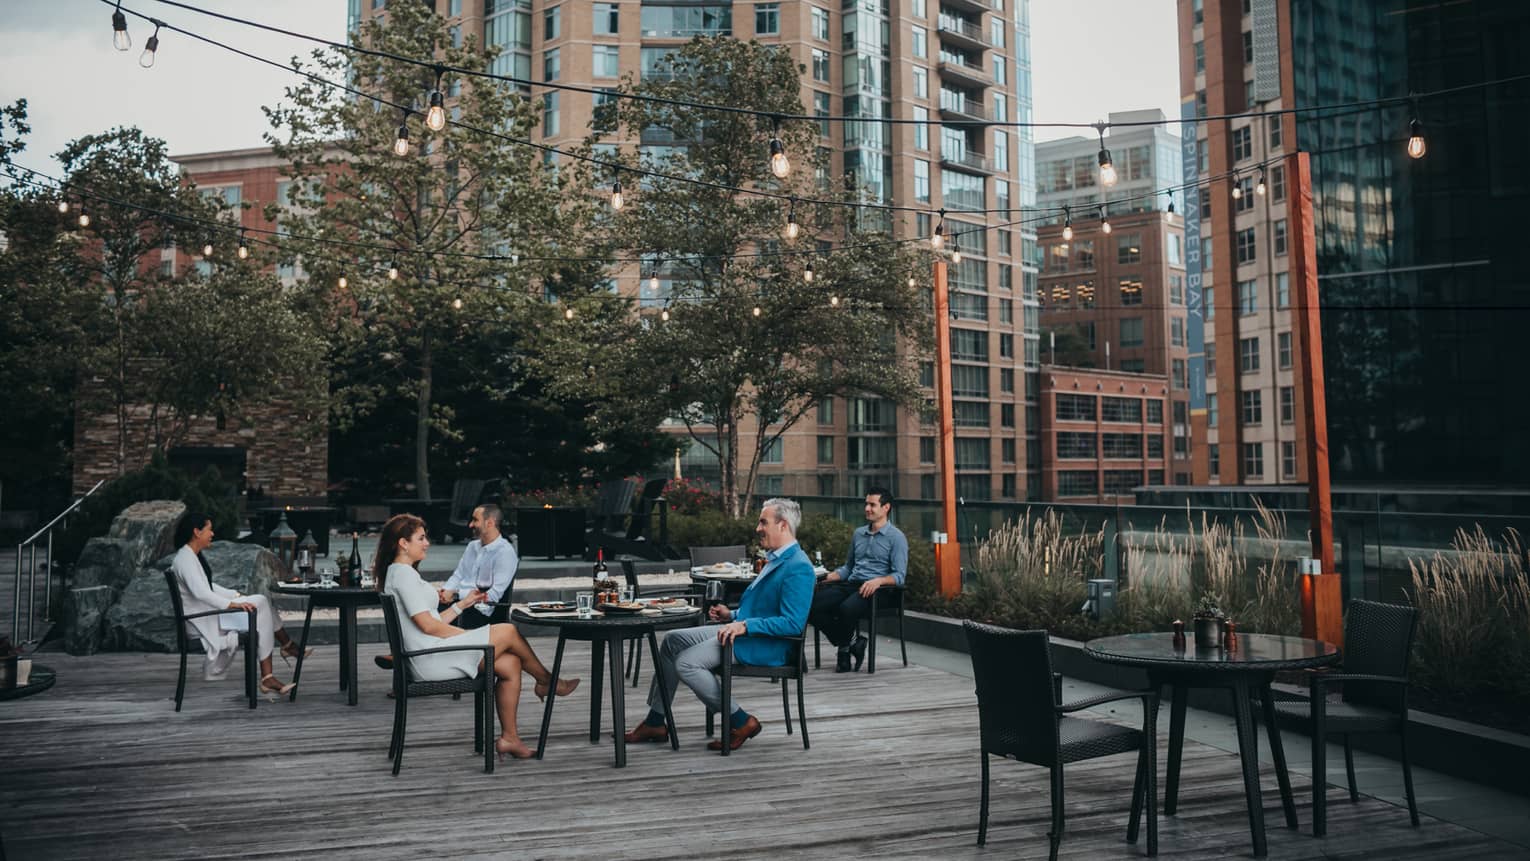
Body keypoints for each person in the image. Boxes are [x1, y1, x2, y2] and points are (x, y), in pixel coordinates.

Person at [375, 513, 578, 761]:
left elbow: (432, 621)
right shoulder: (403, 575)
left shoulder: (401, 573)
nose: (427, 543)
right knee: (507, 630)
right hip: (428, 660)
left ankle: (510, 738)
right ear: (403, 543)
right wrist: (470, 636)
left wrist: (463, 604)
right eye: (421, 538)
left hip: (432, 651)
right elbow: (428, 626)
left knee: (511, 664)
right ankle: (548, 680)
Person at [624, 498, 814, 753]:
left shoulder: (799, 566)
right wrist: (732, 615)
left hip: (766, 645)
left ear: (782, 525)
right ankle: (656, 722)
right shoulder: (777, 559)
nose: (758, 528)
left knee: (687, 663)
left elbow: (792, 624)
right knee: (673, 640)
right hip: (745, 631)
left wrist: (744, 626)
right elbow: (762, 608)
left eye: (763, 522)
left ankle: (741, 720)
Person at [170, 511, 309, 697]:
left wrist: (236, 596)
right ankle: (277, 661)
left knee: (262, 604)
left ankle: (276, 663)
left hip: (210, 615)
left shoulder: (190, 556)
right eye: (209, 530)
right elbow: (201, 593)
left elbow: (209, 586)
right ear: (197, 532)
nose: (212, 534)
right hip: (203, 622)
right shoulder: (185, 560)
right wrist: (232, 604)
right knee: (261, 603)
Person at [807, 486, 908, 672]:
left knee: (846, 608)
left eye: (872, 505)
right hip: (851, 584)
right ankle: (854, 642)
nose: (867, 509)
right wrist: (826, 577)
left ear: (886, 508)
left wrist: (878, 581)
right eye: (866, 504)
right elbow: (848, 568)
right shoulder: (858, 534)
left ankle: (844, 653)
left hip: (879, 591)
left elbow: (899, 576)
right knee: (811, 605)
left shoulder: (897, 538)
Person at [436, 504, 517, 628]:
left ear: (489, 523)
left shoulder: (505, 552)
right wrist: (445, 592)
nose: (470, 525)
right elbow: (458, 575)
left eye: (475, 520)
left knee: (432, 619)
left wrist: (456, 594)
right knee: (425, 610)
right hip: (460, 604)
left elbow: (493, 595)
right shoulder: (472, 546)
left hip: (480, 611)